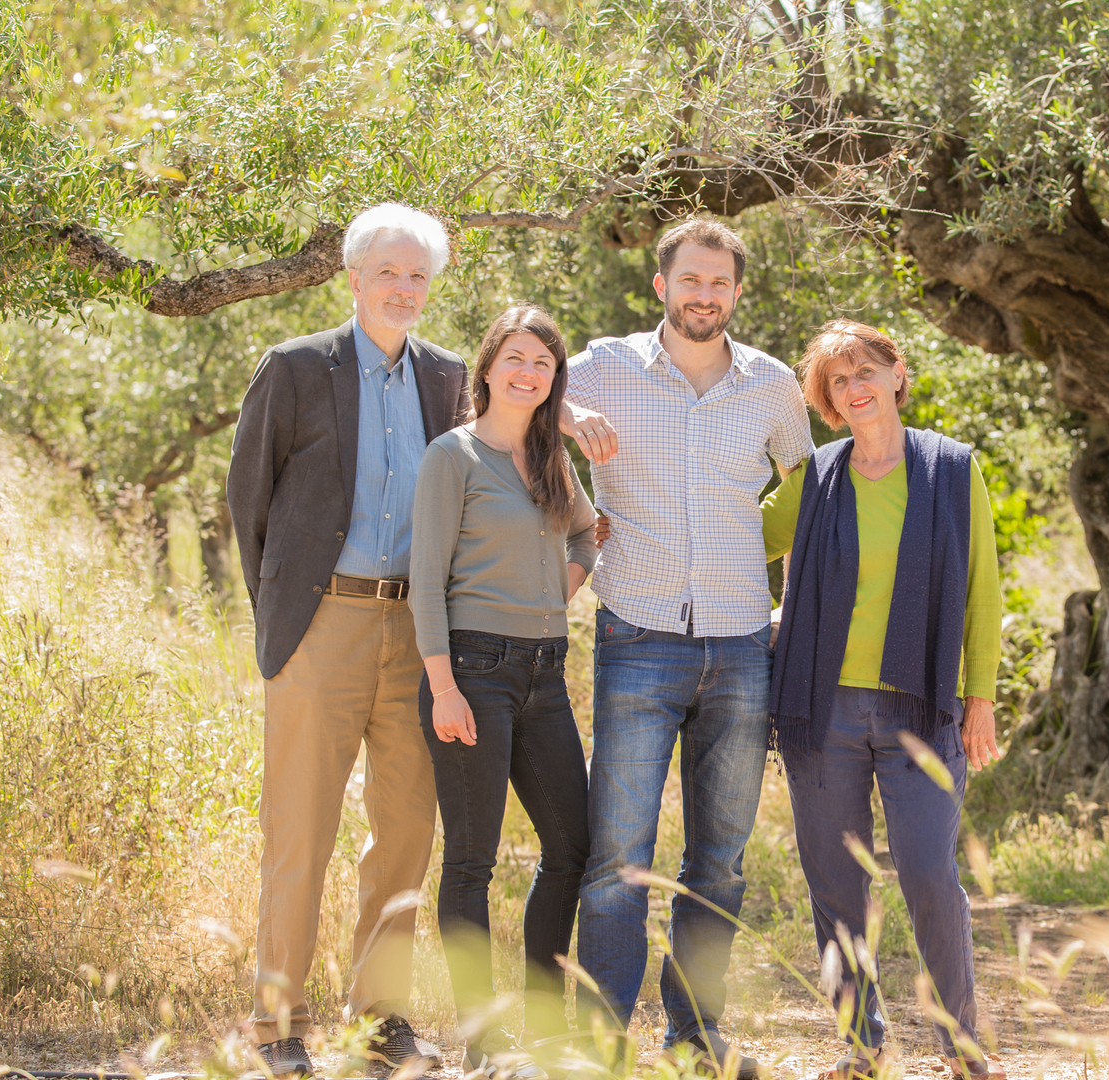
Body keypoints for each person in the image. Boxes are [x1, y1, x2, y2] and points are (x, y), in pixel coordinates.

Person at [226, 203, 469, 1079]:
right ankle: (276, 1024)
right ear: (353, 275)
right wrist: (283, 622)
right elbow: (247, 503)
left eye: (417, 277)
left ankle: (379, 1021)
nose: (403, 290)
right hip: (320, 625)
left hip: (419, 631)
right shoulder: (294, 369)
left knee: (405, 829)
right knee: (300, 828)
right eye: (388, 273)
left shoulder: (448, 377)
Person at [568, 218, 814, 1078]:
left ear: (737, 293)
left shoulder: (775, 387)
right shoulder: (601, 367)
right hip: (636, 636)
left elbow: (812, 499)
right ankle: (599, 1047)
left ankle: (695, 1039)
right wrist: (564, 411)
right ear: (661, 286)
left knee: (720, 860)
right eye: (690, 280)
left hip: (744, 645)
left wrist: (795, 607)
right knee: (616, 862)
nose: (704, 295)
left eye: (720, 283)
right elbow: (497, 397)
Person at [759, 320, 1005, 1079]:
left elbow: (984, 595)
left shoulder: (953, 470)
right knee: (835, 884)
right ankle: (860, 1048)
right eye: (838, 379)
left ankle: (963, 1048)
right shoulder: (815, 476)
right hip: (819, 707)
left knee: (931, 874)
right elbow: (737, 533)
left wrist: (981, 699)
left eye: (867, 368)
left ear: (898, 374)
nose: (856, 385)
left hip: (919, 709)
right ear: (826, 400)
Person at [408, 305, 598, 1080]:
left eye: (543, 364)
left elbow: (588, 533)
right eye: (516, 358)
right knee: (473, 861)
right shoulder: (452, 456)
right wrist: (443, 687)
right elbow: (426, 579)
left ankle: (547, 1026)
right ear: (487, 367)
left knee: (572, 849)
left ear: (554, 380)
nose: (528, 373)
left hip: (545, 675)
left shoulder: (552, 458)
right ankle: (485, 1040)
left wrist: (561, 589)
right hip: (471, 673)